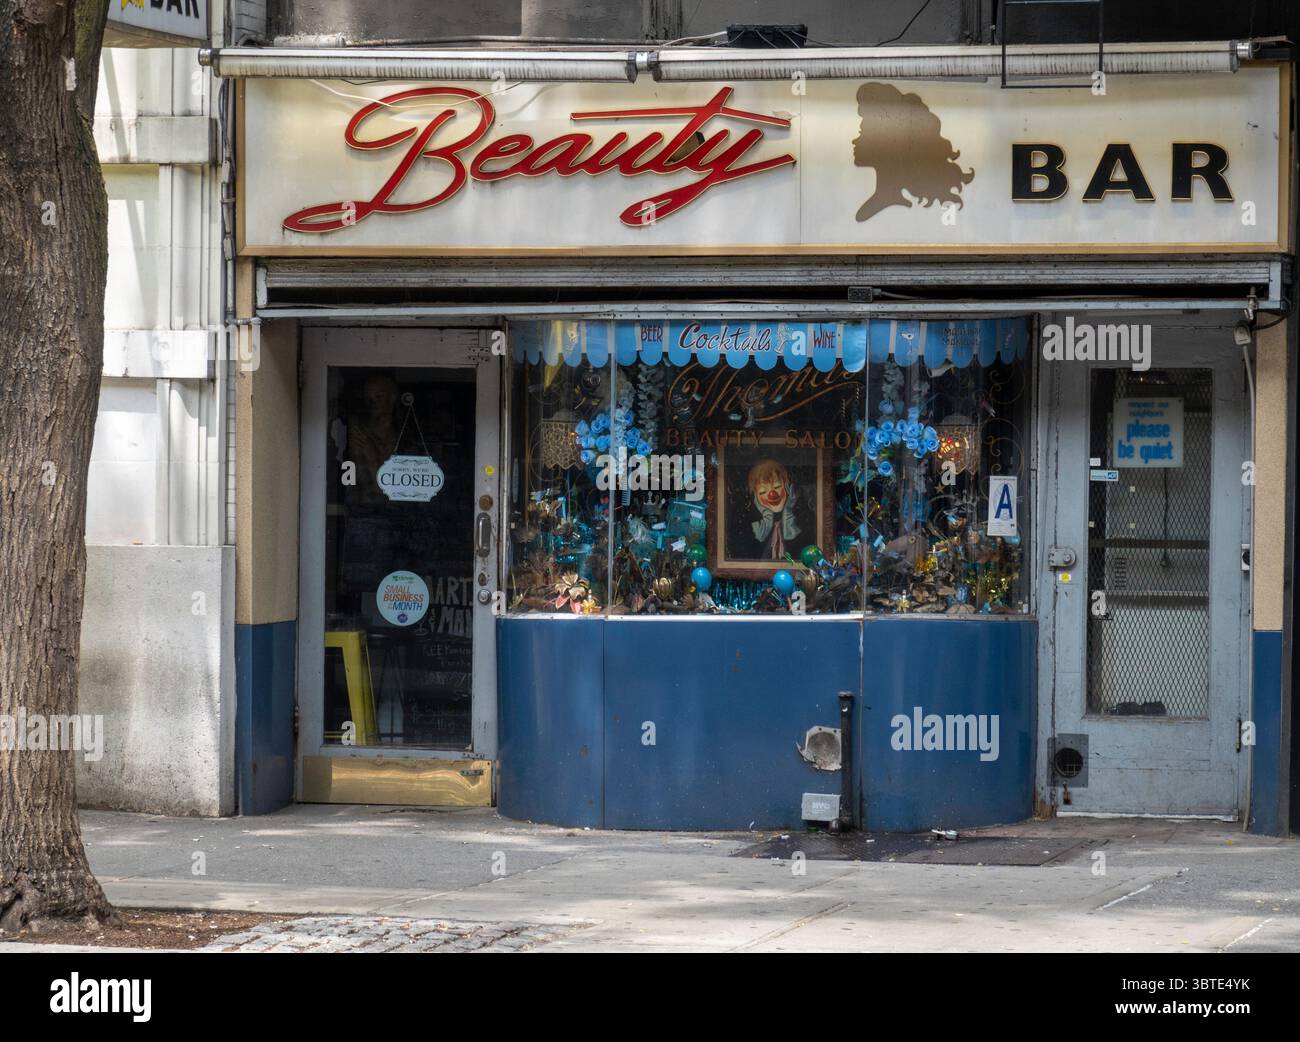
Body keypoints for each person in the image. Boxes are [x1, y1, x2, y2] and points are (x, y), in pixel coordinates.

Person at [748, 459, 800, 559]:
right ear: (755, 498)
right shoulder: (752, 528)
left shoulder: (801, 520)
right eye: (762, 492)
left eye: (777, 486)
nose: (772, 495)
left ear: (787, 487)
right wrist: (767, 516)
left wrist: (788, 510)